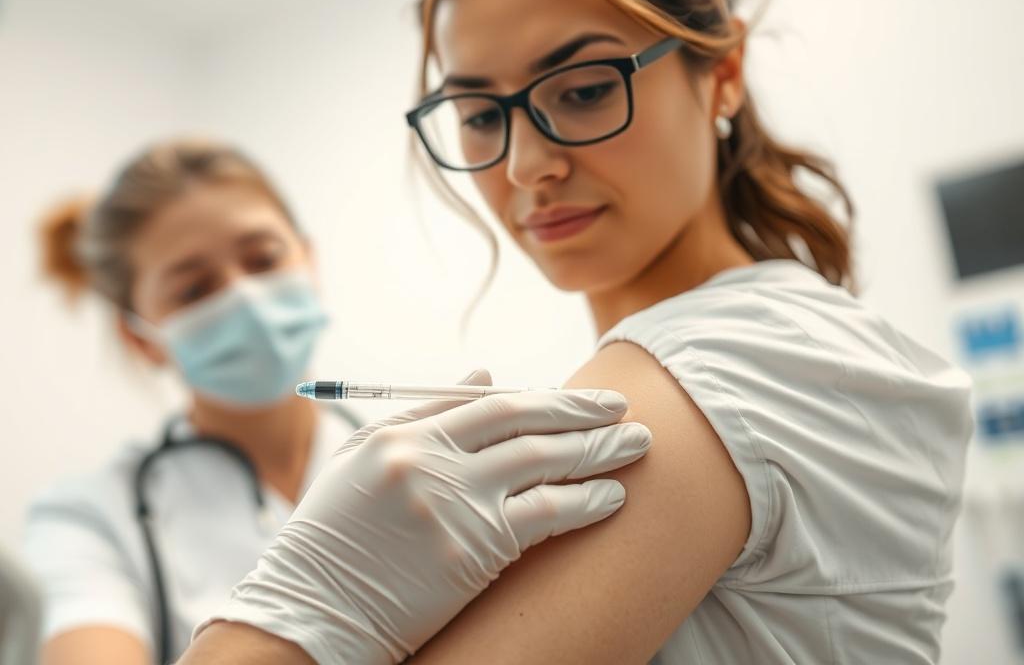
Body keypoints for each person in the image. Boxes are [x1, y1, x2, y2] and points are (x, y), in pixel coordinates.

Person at [382, 0, 969, 662]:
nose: (527, 167)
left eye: (585, 89)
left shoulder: (719, 367)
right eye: (482, 114)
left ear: (722, 73)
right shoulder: (761, 339)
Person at [27, 138, 653, 665]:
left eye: (263, 258)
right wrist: (313, 597)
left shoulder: (418, 458)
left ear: (309, 260)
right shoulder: (90, 516)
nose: (246, 297)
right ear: (142, 338)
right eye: (195, 288)